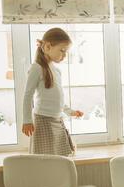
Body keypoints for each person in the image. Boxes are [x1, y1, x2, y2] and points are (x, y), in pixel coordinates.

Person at [22, 28, 83, 156]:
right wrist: (27, 120)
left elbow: (58, 99)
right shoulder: (36, 68)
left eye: (66, 52)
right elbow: (28, 95)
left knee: (60, 159)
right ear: (48, 46)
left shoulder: (56, 71)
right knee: (45, 160)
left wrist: (70, 112)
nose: (64, 55)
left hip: (57, 120)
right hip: (43, 121)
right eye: (62, 50)